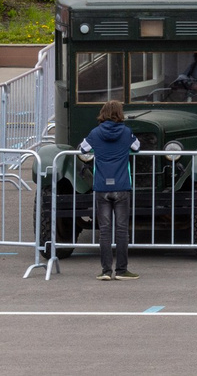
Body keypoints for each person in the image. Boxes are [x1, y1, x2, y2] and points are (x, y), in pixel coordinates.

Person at [78, 99, 141, 279]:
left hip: (102, 186)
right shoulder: (126, 132)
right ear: (120, 114)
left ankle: (106, 271)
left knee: (104, 231)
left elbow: (83, 149)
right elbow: (137, 147)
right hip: (122, 186)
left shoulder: (95, 133)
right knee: (122, 230)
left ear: (103, 113)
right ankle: (122, 270)